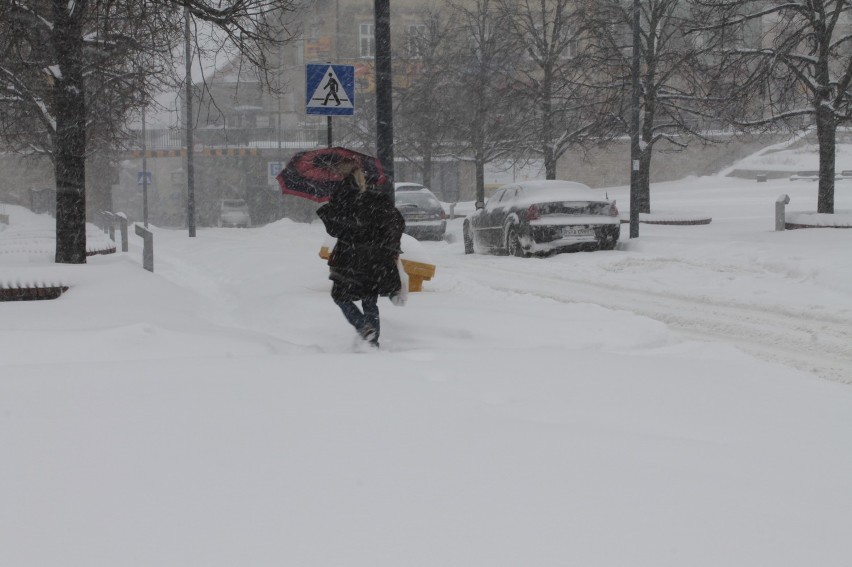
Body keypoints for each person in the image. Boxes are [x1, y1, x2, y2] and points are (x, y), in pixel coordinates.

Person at [316, 159, 405, 347]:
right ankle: (373, 343)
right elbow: (396, 222)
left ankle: (363, 327)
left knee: (340, 296)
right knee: (369, 299)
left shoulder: (342, 195)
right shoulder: (376, 195)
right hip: (376, 258)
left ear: (343, 172)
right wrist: (390, 247)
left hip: (350, 256)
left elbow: (335, 229)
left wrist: (328, 210)